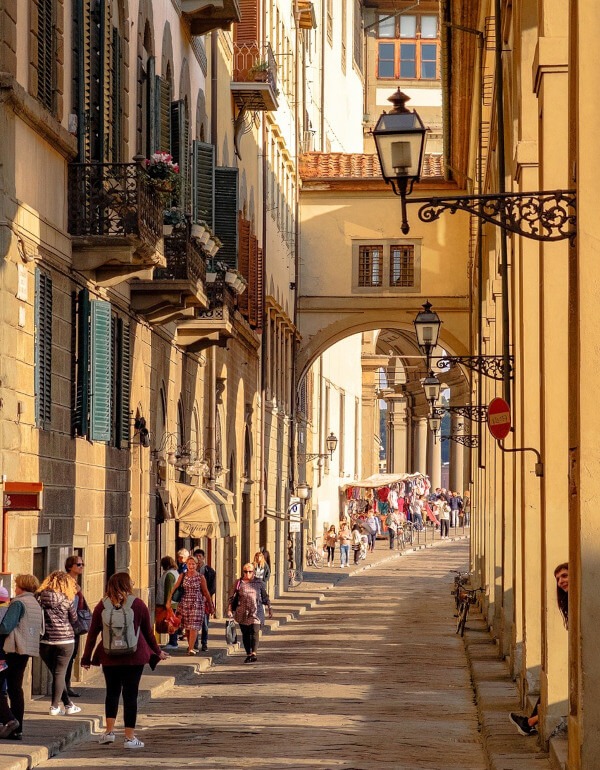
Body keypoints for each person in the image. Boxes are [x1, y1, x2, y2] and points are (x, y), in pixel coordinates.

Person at [82, 572, 168, 749]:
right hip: (134, 657)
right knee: (131, 696)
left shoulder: (102, 605)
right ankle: (129, 737)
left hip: (109, 656)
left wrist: (86, 657)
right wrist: (158, 652)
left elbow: (92, 634)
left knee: (112, 693)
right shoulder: (137, 605)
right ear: (128, 585)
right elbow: (148, 633)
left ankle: (109, 732)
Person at [509, 563, 569, 736]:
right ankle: (529, 722)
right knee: (555, 678)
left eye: (564, 576)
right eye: (558, 579)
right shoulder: (570, 601)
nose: (560, 582)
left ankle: (529, 722)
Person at [0, 574, 43, 740]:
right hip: (26, 650)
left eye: (17, 585)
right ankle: (18, 729)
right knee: (16, 688)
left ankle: (10, 721)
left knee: (5, 687)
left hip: (12, 649)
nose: (15, 588)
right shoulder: (35, 603)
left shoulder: (18, 603)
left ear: (22, 586)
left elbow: (5, 627)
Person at [37, 571, 82, 716]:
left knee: (57, 674)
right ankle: (54, 706)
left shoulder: (39, 598)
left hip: (45, 641)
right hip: (65, 640)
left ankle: (68, 704)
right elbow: (74, 619)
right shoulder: (66, 599)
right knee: (59, 674)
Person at [227, 563, 273, 664]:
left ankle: (254, 653)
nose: (247, 573)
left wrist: (270, 607)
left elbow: (265, 596)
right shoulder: (239, 582)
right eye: (245, 571)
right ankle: (248, 653)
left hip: (256, 611)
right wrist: (229, 609)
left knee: (255, 631)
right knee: (246, 634)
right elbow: (231, 597)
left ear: (253, 572)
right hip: (242, 612)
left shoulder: (259, 582)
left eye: (250, 571)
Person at [168, 557, 214, 655]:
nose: (191, 566)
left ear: (197, 565)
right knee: (187, 628)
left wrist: (210, 606)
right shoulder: (182, 575)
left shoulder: (201, 577)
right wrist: (169, 601)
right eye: (189, 564)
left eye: (193, 564)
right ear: (187, 565)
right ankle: (190, 646)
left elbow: (206, 592)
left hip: (197, 603)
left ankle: (191, 649)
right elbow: (174, 588)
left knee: (194, 627)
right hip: (184, 603)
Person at [63, 555, 89, 698]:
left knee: (72, 656)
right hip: (68, 625)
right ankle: (64, 687)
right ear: (70, 567)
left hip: (75, 624)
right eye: (78, 564)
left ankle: (67, 685)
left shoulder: (75, 581)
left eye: (82, 564)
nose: (81, 566)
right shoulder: (67, 581)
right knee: (67, 657)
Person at [193, 548, 216, 652]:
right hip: (193, 601)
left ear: (203, 558)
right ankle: (194, 643)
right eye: (196, 557)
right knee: (194, 624)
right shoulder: (191, 571)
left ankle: (204, 643)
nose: (198, 559)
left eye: (200, 557)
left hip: (205, 601)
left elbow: (212, 588)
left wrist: (206, 597)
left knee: (205, 624)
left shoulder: (210, 571)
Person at [157, 556, 179, 651]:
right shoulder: (174, 573)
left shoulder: (169, 575)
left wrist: (167, 603)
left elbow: (169, 590)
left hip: (170, 603)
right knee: (171, 621)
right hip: (173, 602)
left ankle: (173, 642)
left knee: (170, 622)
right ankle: (172, 641)